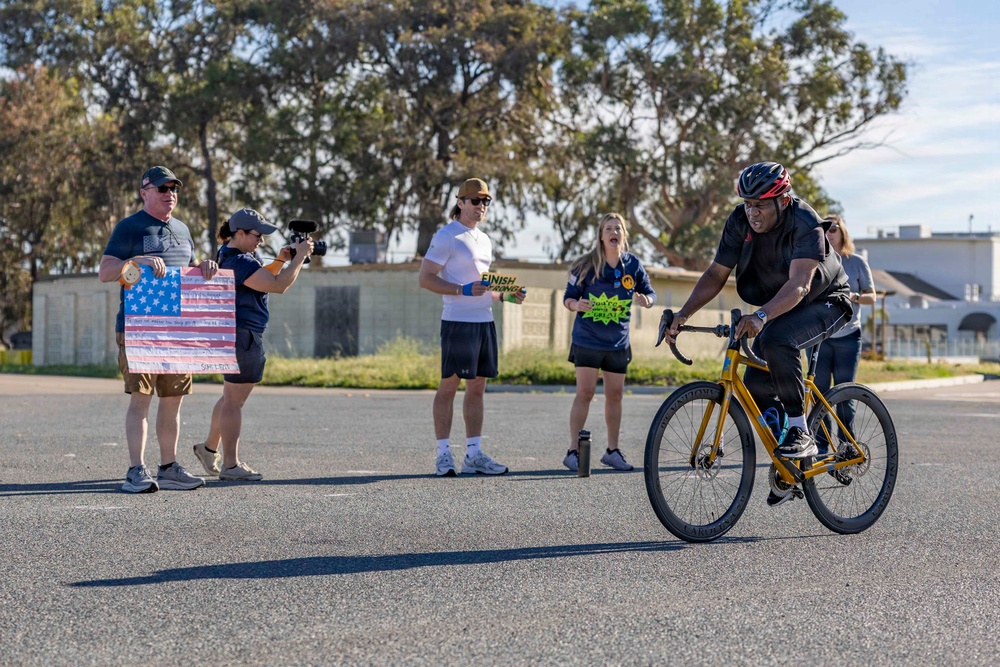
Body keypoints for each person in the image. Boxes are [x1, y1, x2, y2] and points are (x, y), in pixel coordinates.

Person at [663, 161, 853, 506]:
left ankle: (801, 431)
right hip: (780, 304)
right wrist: (683, 314)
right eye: (748, 203)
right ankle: (787, 466)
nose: (753, 211)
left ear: (782, 200)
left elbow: (799, 286)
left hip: (825, 301)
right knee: (755, 383)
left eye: (761, 204)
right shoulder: (739, 221)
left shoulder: (805, 222)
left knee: (778, 339)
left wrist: (762, 315)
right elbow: (716, 274)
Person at [98, 166, 218, 493]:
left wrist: (204, 268)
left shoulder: (182, 229)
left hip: (177, 330)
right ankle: (135, 471)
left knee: (174, 399)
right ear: (144, 192)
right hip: (140, 328)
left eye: (174, 189)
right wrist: (136, 260)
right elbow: (106, 271)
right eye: (162, 188)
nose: (170, 194)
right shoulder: (130, 227)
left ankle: (168, 468)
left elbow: (186, 271)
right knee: (141, 398)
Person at [191, 208, 313, 481]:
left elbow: (261, 279)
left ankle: (209, 449)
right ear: (241, 233)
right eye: (258, 235)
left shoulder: (232, 255)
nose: (262, 240)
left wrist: (281, 259)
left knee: (228, 398)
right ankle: (231, 465)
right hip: (243, 333)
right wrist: (300, 258)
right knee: (234, 402)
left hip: (238, 332)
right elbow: (277, 285)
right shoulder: (240, 262)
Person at [418, 178, 525, 476]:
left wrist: (507, 296)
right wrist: (461, 291)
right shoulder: (447, 236)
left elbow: (483, 286)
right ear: (461, 202)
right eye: (475, 201)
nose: (481, 206)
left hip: (484, 322)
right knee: (448, 388)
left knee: (477, 389)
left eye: (485, 201)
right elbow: (425, 278)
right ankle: (443, 455)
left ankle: (474, 455)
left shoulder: (485, 239)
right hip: (457, 323)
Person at [561, 213, 656, 472]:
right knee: (586, 393)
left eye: (618, 229)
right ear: (601, 236)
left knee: (615, 395)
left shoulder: (633, 265)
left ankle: (612, 451)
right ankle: (572, 451)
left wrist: (646, 300)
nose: (614, 232)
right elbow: (568, 297)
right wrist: (575, 304)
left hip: (618, 342)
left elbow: (650, 292)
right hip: (588, 340)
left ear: (623, 235)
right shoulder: (585, 264)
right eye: (609, 229)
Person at [814, 214, 876, 449]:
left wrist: (854, 297)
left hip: (849, 338)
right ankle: (821, 446)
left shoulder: (857, 262)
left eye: (834, 229)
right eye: (825, 229)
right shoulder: (814, 260)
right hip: (819, 337)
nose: (829, 233)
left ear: (843, 233)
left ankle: (846, 444)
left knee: (844, 394)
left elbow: (872, 296)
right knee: (818, 394)